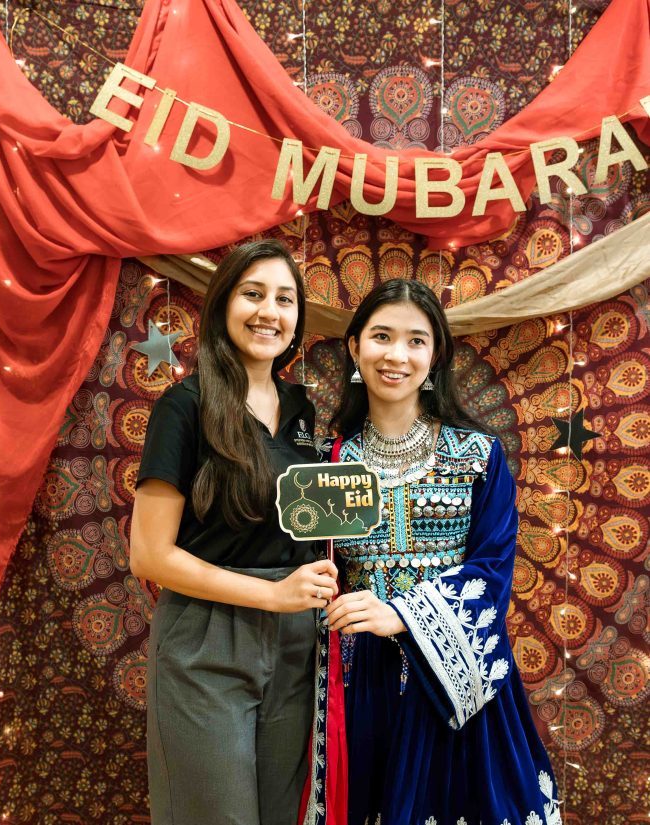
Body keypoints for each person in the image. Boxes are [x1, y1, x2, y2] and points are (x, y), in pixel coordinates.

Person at [321, 279, 562, 825]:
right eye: (382, 336)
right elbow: (310, 570)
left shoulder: (479, 456)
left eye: (416, 340)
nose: (397, 355)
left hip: (457, 680)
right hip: (360, 686)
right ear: (355, 347)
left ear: (436, 355)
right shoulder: (324, 462)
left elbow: (492, 571)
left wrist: (403, 615)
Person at [130, 239, 338, 825]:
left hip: (299, 641)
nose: (269, 312)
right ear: (223, 303)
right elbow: (148, 555)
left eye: (285, 299)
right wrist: (271, 595)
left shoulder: (302, 411)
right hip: (207, 637)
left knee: (283, 815)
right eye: (253, 294)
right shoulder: (185, 405)